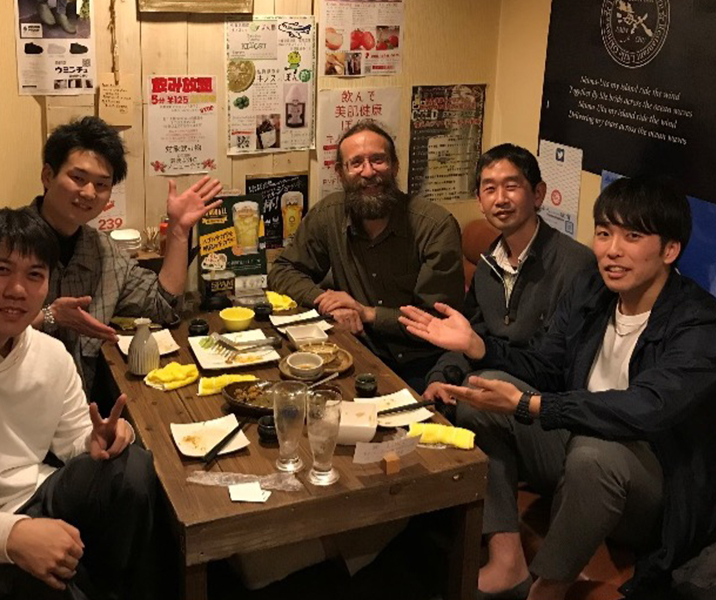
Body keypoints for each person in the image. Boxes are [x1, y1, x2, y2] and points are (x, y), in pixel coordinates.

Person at [400, 176, 716, 599]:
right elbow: (545, 366)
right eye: (604, 233)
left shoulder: (698, 321)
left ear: (670, 249)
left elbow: (647, 409)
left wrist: (534, 405)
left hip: (652, 490)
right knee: (485, 390)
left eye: (633, 236)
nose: (611, 250)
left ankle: (547, 589)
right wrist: (479, 347)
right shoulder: (593, 290)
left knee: (594, 454)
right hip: (577, 448)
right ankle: (506, 558)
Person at [0, 208, 157, 600]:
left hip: (36, 497)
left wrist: (100, 439)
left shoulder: (49, 354)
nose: (17, 290)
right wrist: (12, 535)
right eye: (0, 270)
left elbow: (76, 439)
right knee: (30, 583)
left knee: (133, 469)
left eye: (34, 275)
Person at [0, 116, 223, 396]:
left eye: (101, 184)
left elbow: (163, 304)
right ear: (47, 175)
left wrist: (179, 231)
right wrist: (48, 317)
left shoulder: (104, 253)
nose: (88, 192)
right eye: (77, 177)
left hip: (74, 414)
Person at [268, 120, 464, 392]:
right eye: (356, 163)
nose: (368, 171)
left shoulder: (435, 226)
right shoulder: (330, 214)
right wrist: (324, 300)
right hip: (354, 352)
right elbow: (282, 269)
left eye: (378, 160)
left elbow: (440, 321)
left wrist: (368, 313)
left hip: (421, 365)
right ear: (341, 172)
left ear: (395, 166)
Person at [424, 144, 595, 404]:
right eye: (490, 189)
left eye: (511, 186)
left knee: (475, 391)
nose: (500, 199)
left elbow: (555, 369)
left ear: (538, 194)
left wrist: (484, 353)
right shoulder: (488, 265)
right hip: (492, 378)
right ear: (480, 201)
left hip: (545, 403)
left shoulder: (575, 265)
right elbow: (469, 334)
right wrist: (441, 377)